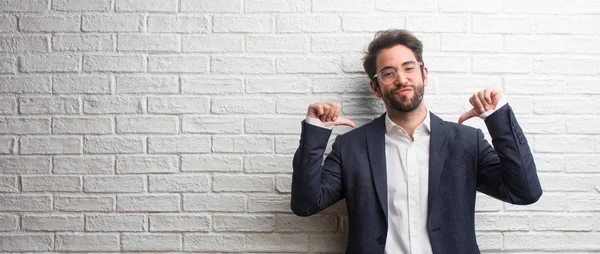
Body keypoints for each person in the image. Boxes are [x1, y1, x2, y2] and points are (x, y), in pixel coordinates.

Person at [291, 29, 542, 254]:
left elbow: (525, 192)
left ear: (424, 74)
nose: (401, 79)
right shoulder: (351, 147)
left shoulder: (466, 141)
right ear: (376, 88)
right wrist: (315, 131)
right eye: (388, 73)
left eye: (409, 68)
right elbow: (306, 204)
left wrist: (497, 118)